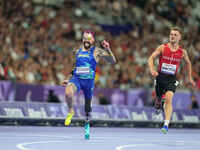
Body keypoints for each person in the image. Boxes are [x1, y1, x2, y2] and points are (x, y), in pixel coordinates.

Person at [61, 30, 116, 139]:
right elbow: (74, 68)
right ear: (82, 40)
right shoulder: (77, 52)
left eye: (89, 38)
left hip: (88, 83)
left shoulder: (97, 51)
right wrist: (68, 79)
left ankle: (87, 123)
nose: (86, 40)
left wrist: (108, 48)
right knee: (68, 93)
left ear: (93, 40)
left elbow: (113, 61)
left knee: (87, 109)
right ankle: (71, 110)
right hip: (77, 79)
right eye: (85, 38)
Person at [148, 27, 195, 134]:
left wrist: (189, 77)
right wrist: (152, 69)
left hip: (172, 78)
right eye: (171, 34)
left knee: (169, 99)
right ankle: (158, 101)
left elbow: (188, 63)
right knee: (159, 98)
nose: (172, 36)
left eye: (175, 35)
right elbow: (150, 58)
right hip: (160, 77)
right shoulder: (163, 48)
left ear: (179, 38)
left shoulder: (182, 52)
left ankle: (166, 124)